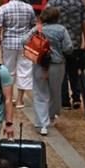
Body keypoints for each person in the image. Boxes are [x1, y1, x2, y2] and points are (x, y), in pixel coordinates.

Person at [45, 0, 85, 110]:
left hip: (58, 43)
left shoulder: (54, 0)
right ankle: (77, 98)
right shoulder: (79, 0)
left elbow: (45, 18)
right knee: (74, 70)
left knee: (62, 71)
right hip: (75, 42)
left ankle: (64, 99)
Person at [25, 7, 72, 136]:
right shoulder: (62, 30)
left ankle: (42, 123)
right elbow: (68, 48)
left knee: (40, 93)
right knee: (55, 92)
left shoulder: (37, 29)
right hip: (57, 65)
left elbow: (24, 41)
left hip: (40, 64)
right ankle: (51, 117)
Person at [0, 0, 37, 108]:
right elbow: (34, 25)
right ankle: (20, 100)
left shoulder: (4, 8)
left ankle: (9, 97)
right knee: (24, 70)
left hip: (8, 43)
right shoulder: (29, 8)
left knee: (8, 70)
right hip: (25, 44)